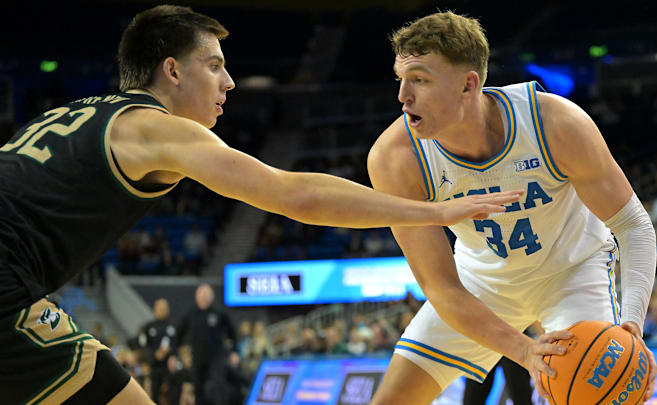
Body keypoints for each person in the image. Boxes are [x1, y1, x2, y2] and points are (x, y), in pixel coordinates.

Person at [0, 5, 523, 405]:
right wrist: (435, 212)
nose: (229, 81)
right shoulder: (156, 128)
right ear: (172, 71)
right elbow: (297, 194)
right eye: (214, 65)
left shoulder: (82, 112)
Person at [366, 11, 657, 404]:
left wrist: (633, 326)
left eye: (419, 80)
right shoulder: (395, 158)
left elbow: (633, 225)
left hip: (570, 272)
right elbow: (440, 287)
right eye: (401, 80)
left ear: (468, 85)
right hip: (479, 284)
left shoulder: (555, 122)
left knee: (602, 395)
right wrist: (522, 350)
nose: (403, 96)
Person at [174, 284, 236, 405]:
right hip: (197, 357)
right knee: (198, 388)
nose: (205, 298)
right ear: (197, 297)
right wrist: (179, 355)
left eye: (207, 295)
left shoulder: (219, 313)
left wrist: (234, 352)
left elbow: (232, 333)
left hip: (217, 357)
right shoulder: (191, 315)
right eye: (202, 295)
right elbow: (178, 335)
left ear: (212, 297)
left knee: (218, 385)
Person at [137, 298, 176, 403]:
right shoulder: (148, 327)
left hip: (169, 365)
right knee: (154, 392)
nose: (162, 311)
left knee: (172, 392)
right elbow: (144, 346)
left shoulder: (174, 326)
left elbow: (178, 344)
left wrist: (170, 352)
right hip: (154, 365)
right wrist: (154, 354)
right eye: (160, 309)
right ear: (155, 310)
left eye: (164, 309)